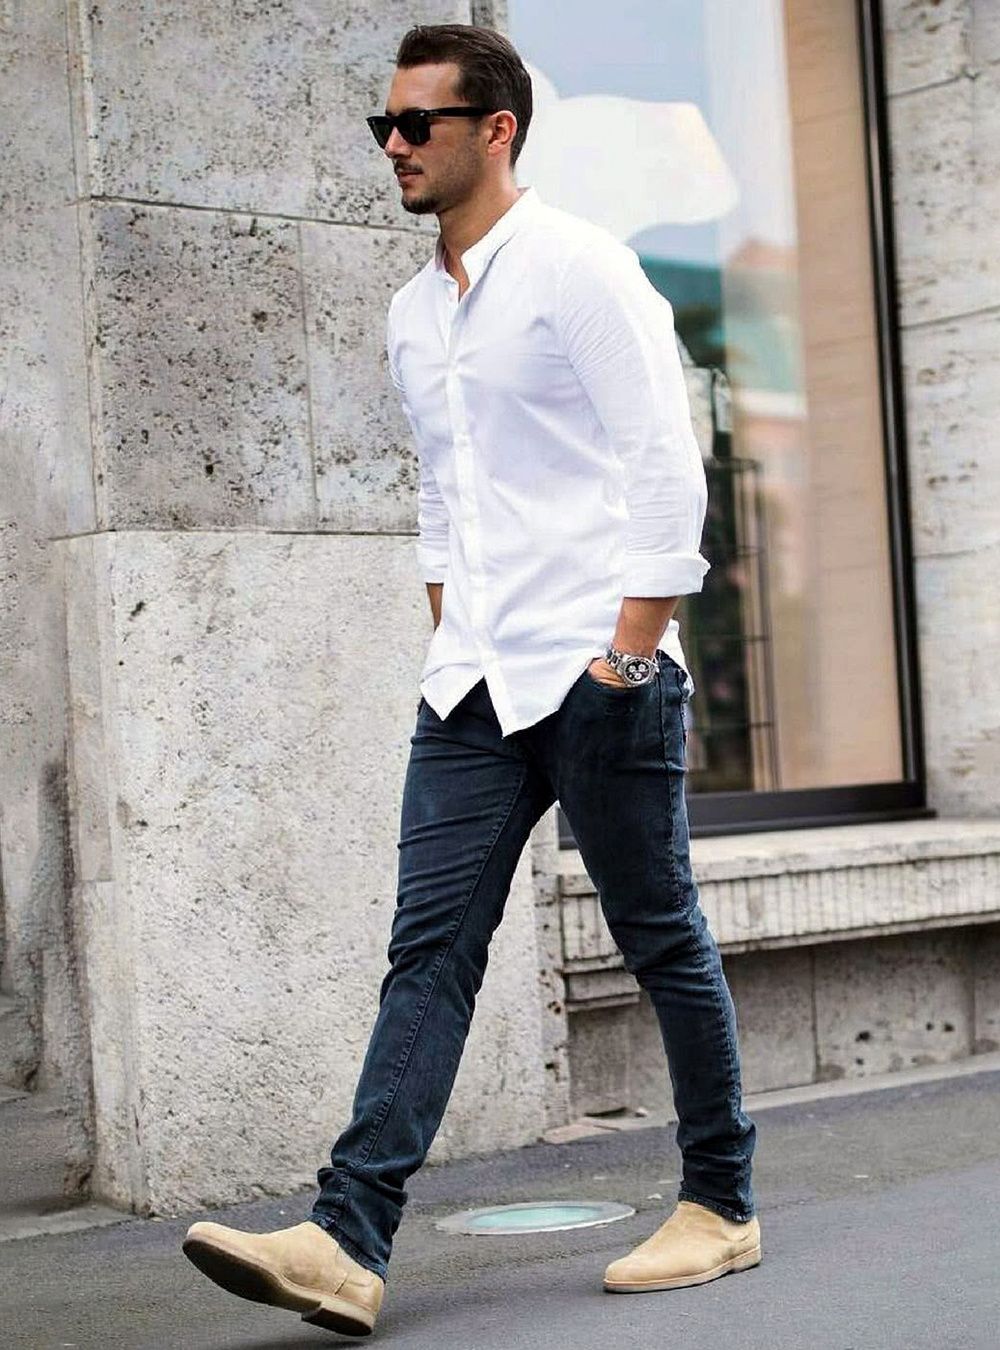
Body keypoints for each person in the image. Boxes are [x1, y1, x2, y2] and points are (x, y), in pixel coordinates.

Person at [183, 22, 758, 1338]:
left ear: (495, 130)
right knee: (427, 952)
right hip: (473, 691)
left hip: (598, 673)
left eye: (418, 123)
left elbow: (668, 467)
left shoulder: (581, 271)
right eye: (383, 124)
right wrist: (451, 629)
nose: (394, 145)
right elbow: (445, 487)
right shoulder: (410, 311)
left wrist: (628, 649)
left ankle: (722, 1201)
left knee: (658, 931)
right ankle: (345, 1240)